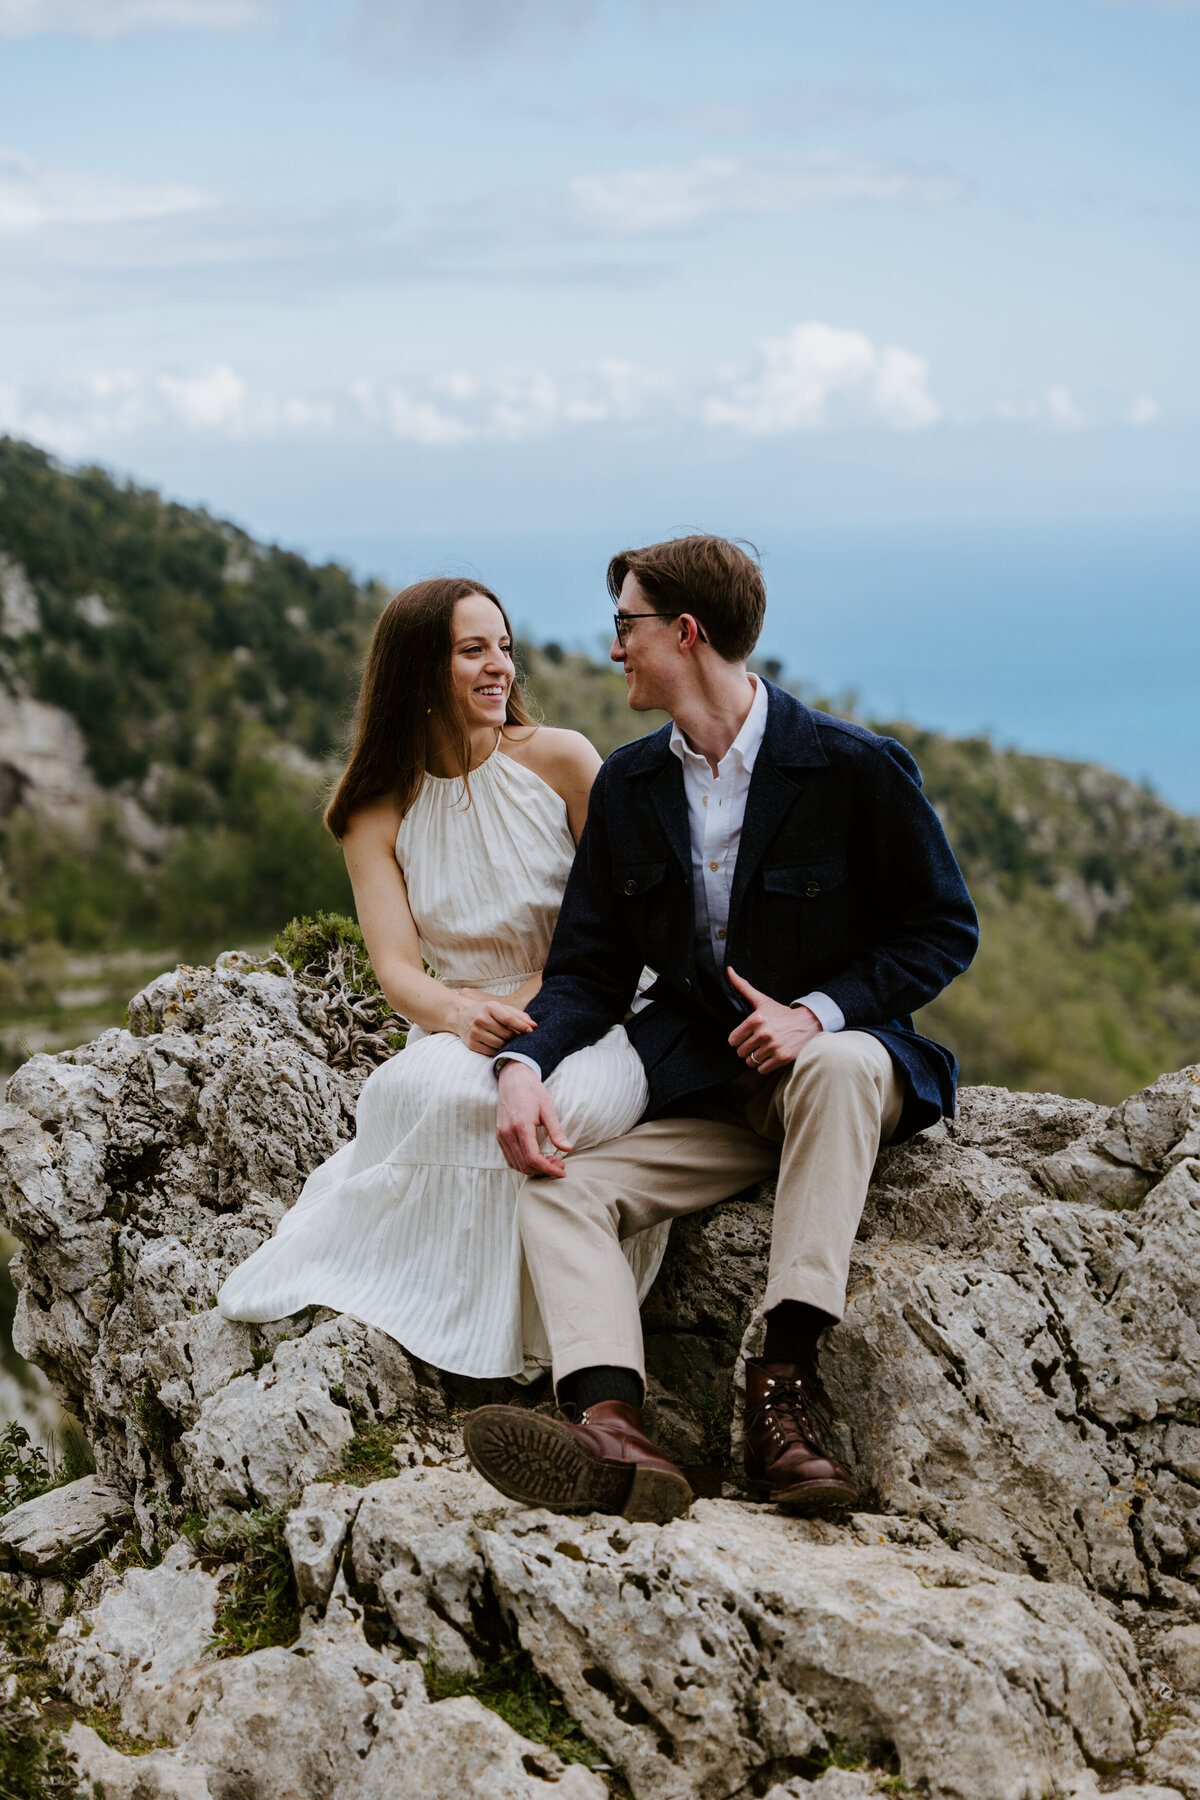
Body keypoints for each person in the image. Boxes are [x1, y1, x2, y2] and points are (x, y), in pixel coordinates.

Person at [462, 535, 978, 1523]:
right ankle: (614, 1431)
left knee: (832, 1064)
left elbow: (942, 930)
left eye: (627, 624)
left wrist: (814, 1013)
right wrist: (523, 1067)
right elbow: (588, 973)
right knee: (557, 1188)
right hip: (712, 1093)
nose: (613, 647)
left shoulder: (852, 768)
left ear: (685, 633)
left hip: (841, 1076)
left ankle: (780, 1390)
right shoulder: (629, 786)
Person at [217, 578, 668, 1379]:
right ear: (421, 670)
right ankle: (442, 1323)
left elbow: (627, 923)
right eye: (473, 650)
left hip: (590, 1004)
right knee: (411, 1096)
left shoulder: (563, 761)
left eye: (503, 646)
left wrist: (541, 1000)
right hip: (466, 1012)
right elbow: (394, 968)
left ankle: (540, 1347)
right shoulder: (375, 810)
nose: (499, 667)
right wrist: (460, 1013)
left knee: (553, 1110)